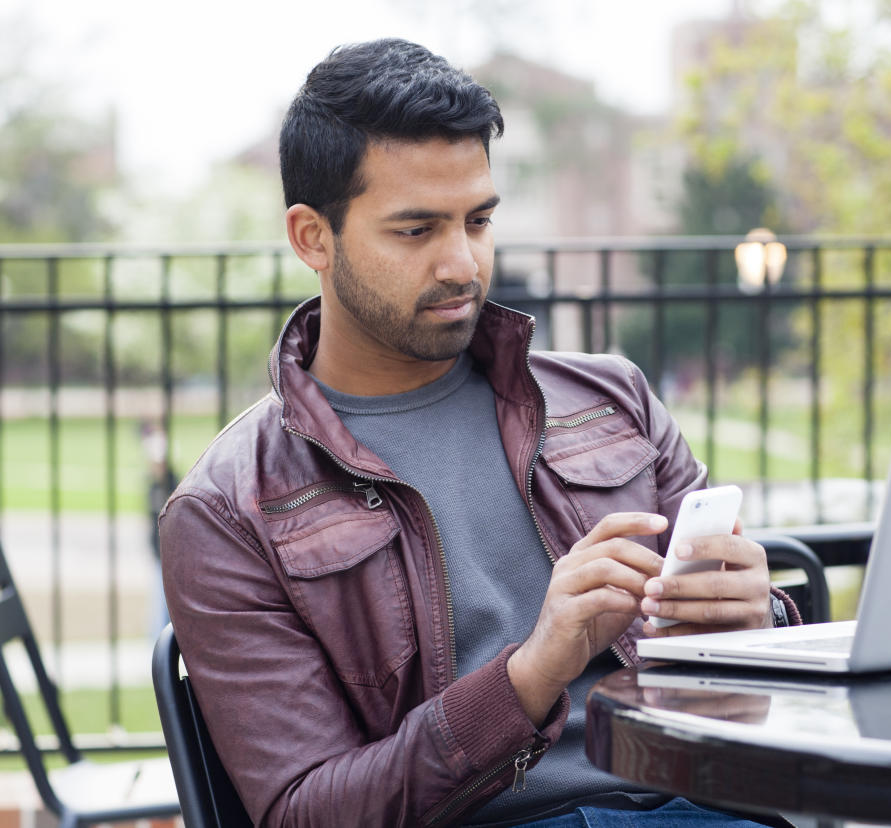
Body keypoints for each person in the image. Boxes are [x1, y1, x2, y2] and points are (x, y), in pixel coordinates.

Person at [158, 38, 801, 827]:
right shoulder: (229, 510)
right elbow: (306, 813)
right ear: (311, 238)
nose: (463, 263)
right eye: (416, 230)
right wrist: (530, 676)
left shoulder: (613, 398)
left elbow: (752, 682)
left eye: (479, 219)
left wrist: (756, 622)